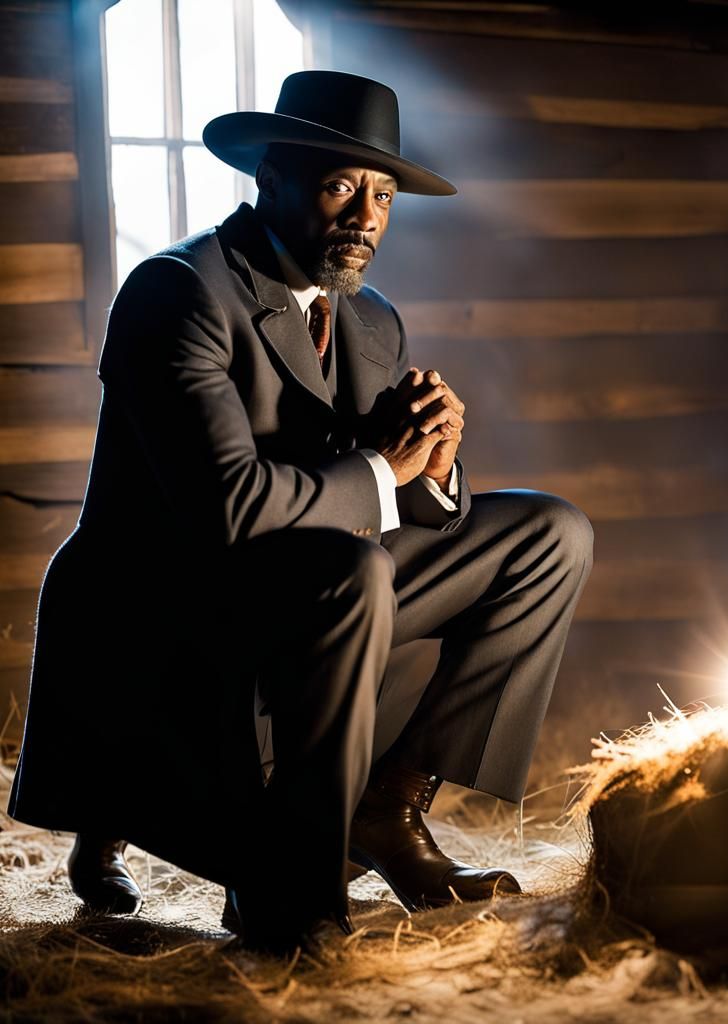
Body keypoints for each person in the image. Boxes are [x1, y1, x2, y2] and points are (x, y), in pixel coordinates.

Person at [7, 71, 593, 948]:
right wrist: (380, 468)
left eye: (384, 197)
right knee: (351, 570)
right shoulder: (175, 293)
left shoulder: (372, 318)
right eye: (339, 186)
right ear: (270, 179)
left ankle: (390, 812)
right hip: (168, 595)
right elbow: (226, 508)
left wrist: (433, 463)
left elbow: (391, 491)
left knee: (551, 533)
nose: (365, 217)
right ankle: (289, 882)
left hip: (315, 574)